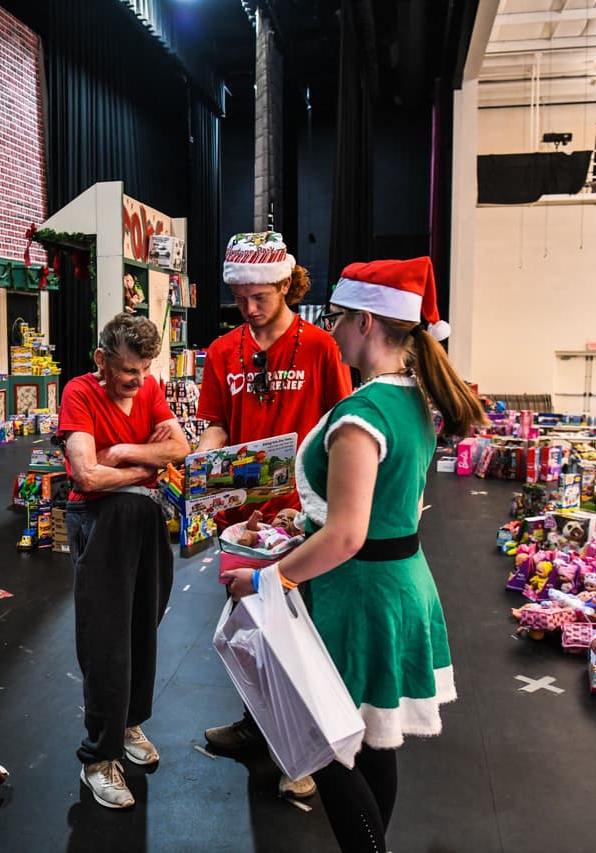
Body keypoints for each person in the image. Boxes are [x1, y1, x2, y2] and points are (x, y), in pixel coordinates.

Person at [220, 256, 484, 851]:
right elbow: (380, 510)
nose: (331, 328)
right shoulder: (413, 398)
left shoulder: (361, 415)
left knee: (329, 746)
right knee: (369, 739)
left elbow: (345, 535)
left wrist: (266, 581)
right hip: (397, 583)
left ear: (366, 322)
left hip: (358, 594)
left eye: (338, 317)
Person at [197, 230, 352, 799]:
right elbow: (215, 420)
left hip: (303, 514)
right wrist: (208, 458)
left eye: (260, 296)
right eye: (239, 298)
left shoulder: (320, 347)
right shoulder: (222, 351)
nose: (249, 308)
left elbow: (341, 423)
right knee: (250, 628)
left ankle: (303, 749)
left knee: (300, 633)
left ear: (287, 283)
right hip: (242, 518)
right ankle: (258, 725)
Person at [57, 312, 190, 810]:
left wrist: (123, 454)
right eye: (129, 370)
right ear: (101, 360)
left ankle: (127, 721)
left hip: (144, 521)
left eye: (145, 369)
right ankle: (99, 757)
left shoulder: (150, 389)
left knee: (143, 628)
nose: (139, 380)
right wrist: (145, 468)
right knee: (106, 638)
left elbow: (180, 446)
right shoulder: (79, 392)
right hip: (100, 522)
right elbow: (86, 477)